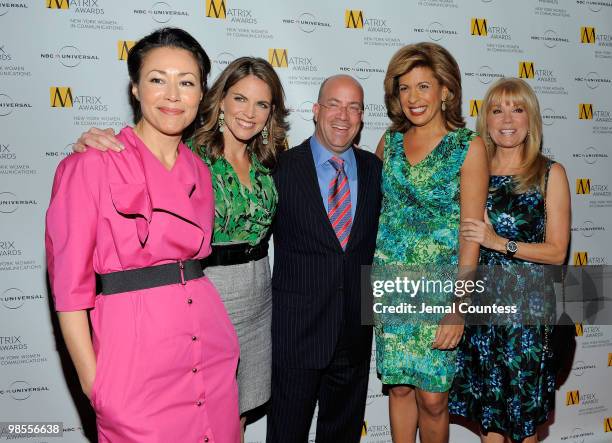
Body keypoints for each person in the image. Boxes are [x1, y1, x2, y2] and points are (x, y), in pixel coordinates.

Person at [72, 57, 290, 438]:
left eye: (262, 104)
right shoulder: (190, 151)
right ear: (219, 100)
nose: (249, 113)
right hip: (209, 293)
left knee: (230, 418)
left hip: (259, 298)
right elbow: (136, 156)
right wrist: (87, 145)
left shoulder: (268, 158)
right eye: (240, 99)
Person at [45, 28, 240, 442]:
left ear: (202, 93)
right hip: (133, 365)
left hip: (210, 352)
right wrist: (93, 385)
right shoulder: (90, 165)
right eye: (157, 79)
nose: (172, 94)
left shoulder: (201, 172)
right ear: (134, 88)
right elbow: (68, 291)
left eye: (186, 82)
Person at [373, 42, 489, 443]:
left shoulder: (467, 147)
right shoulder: (388, 144)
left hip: (441, 292)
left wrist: (460, 305)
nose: (413, 98)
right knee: (400, 388)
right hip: (391, 287)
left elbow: (471, 231)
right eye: (404, 88)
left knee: (434, 399)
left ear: (446, 91)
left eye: (424, 86)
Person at [449, 77, 570, 443]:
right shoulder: (473, 172)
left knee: (523, 427)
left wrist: (501, 242)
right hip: (482, 314)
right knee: (491, 427)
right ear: (485, 119)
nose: (507, 119)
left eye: (517, 109)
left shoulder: (550, 174)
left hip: (528, 320)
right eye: (497, 110)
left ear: (530, 120)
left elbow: (557, 251)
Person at [267, 74, 382, 443]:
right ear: (316, 110)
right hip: (296, 334)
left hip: (353, 332)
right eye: (334, 104)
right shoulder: (279, 169)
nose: (343, 116)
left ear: (362, 118)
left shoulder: (376, 171)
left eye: (354, 107)